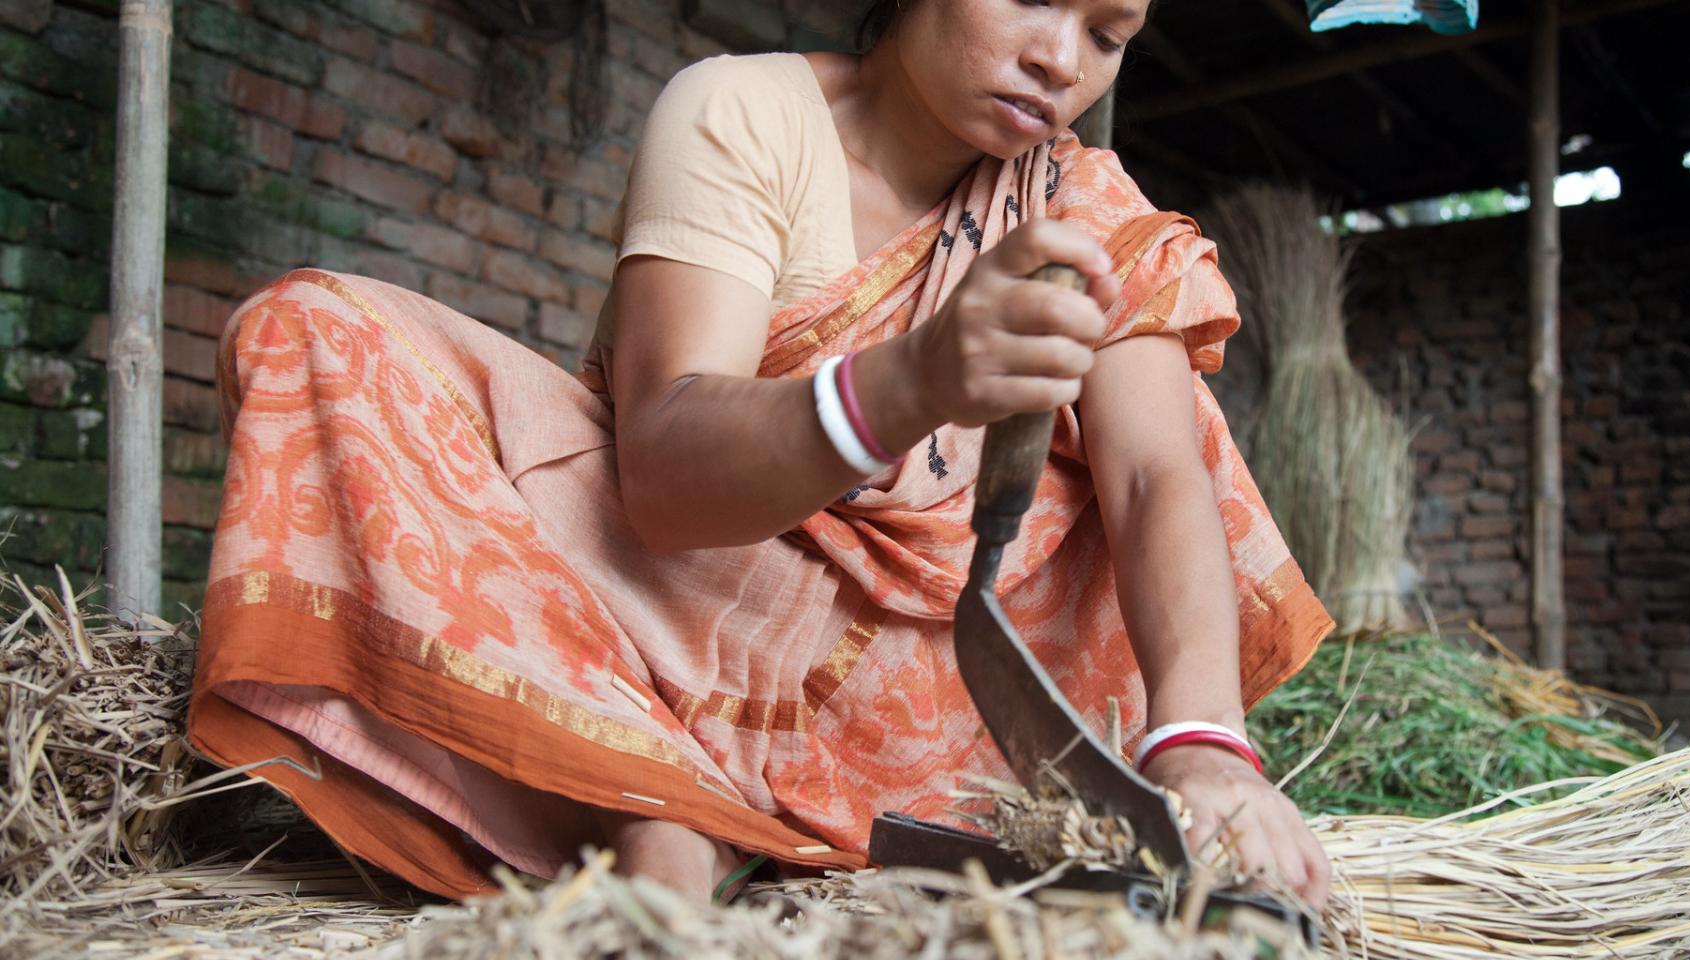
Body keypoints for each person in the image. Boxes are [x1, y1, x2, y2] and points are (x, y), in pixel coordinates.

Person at [188, 0, 1335, 912]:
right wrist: (914, 379)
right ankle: (658, 809)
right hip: (675, 612)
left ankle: (656, 820)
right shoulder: (744, 113)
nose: (1061, 61)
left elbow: (1154, 479)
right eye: (1033, 0)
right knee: (316, 331)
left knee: (1153, 423)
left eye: (1107, 35)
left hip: (951, 712)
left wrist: (1201, 747)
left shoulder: (1082, 198)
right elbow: (667, 481)